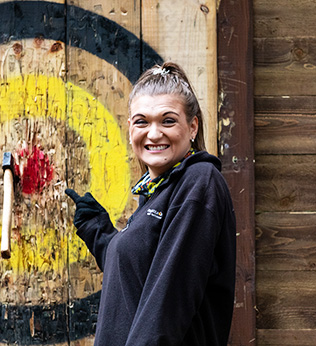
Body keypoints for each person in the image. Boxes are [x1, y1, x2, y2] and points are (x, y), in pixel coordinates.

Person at [65, 62, 236, 346]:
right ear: (130, 127)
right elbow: (140, 279)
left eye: (167, 120)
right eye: (142, 121)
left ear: (192, 126)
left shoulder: (199, 182)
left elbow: (169, 298)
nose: (153, 134)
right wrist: (100, 233)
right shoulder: (157, 192)